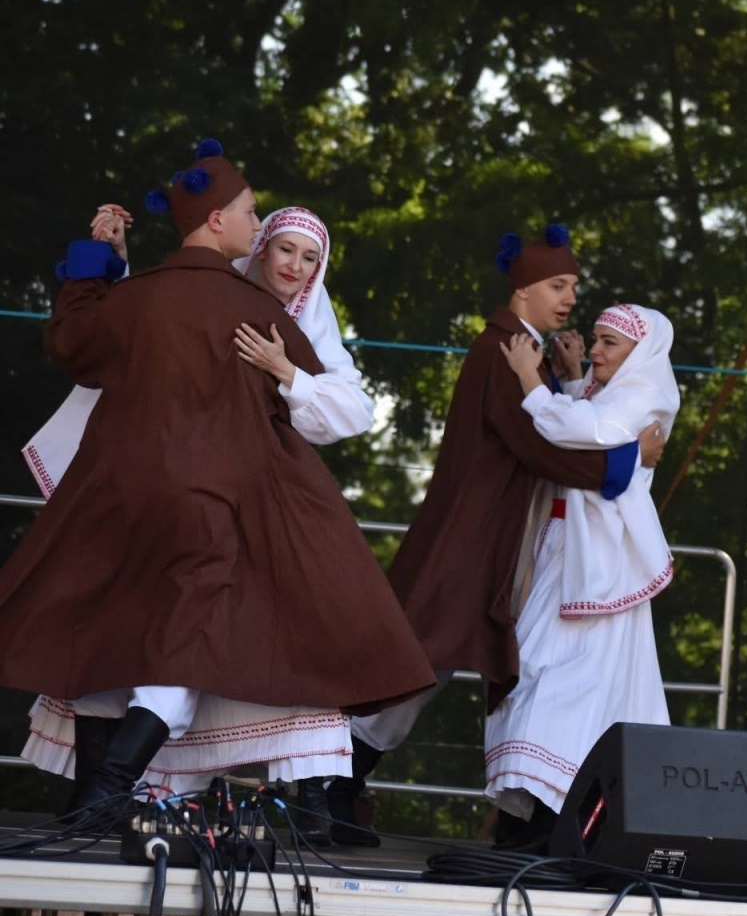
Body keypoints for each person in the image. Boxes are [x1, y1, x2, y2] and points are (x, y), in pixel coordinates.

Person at [0, 138, 435, 816]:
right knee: (186, 651)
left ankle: (99, 801)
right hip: (210, 504)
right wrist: (288, 375)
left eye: (302, 253)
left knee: (115, 638)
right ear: (217, 221)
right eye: (253, 214)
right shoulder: (253, 310)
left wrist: (100, 262)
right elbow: (321, 395)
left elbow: (74, 343)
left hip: (118, 498)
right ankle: (108, 796)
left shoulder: (139, 296)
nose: (262, 229)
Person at [325, 226, 666, 847]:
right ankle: (331, 782)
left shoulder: (521, 349)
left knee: (437, 656)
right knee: (423, 655)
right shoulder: (505, 348)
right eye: (557, 286)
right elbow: (535, 442)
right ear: (524, 288)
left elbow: (553, 428)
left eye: (572, 287)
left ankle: (344, 784)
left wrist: (561, 387)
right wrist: (625, 461)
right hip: (473, 530)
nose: (569, 299)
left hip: (495, 532)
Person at [485, 303, 679, 848]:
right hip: (565, 554)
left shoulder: (651, 393)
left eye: (607, 343)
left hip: (600, 569)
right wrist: (572, 380)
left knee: (565, 681)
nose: (593, 350)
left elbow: (581, 434)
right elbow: (591, 428)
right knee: (534, 672)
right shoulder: (611, 392)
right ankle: (529, 815)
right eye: (593, 339)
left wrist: (529, 376)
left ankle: (548, 819)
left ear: (640, 353)